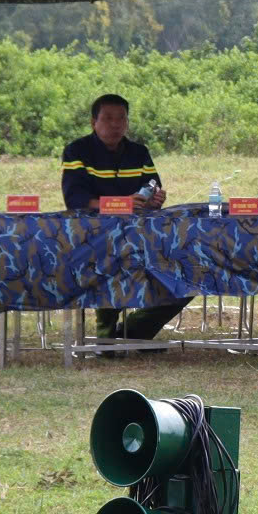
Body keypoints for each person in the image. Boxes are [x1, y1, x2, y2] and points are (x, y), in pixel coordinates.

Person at [59, 93, 188, 347]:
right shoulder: (77, 150)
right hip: (94, 235)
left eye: (121, 119)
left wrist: (154, 199)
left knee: (185, 270)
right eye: (107, 118)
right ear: (93, 122)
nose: (115, 124)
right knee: (110, 265)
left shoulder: (139, 152)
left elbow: (152, 186)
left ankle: (134, 332)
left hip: (140, 233)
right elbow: (75, 199)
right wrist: (121, 204)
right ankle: (105, 335)